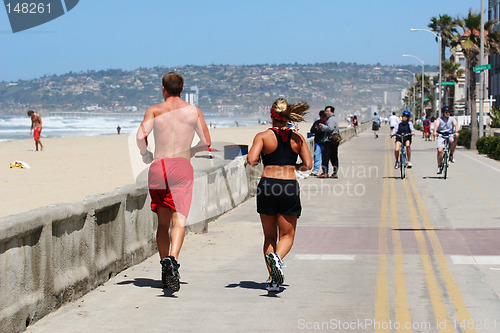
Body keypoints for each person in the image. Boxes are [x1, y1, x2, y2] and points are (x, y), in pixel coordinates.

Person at [136, 72, 211, 292]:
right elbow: (206, 141)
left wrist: (145, 154)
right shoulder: (193, 112)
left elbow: (141, 136)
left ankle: (163, 266)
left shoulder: (155, 110)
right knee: (179, 221)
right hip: (181, 166)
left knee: (162, 223)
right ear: (182, 88)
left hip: (159, 166)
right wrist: (191, 151)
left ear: (163, 89)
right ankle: (173, 260)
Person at [247, 98, 312, 292]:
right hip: (288, 186)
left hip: (267, 185)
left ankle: (272, 278)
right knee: (287, 235)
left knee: (269, 236)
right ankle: (277, 262)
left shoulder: (262, 136)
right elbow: (308, 165)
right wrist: (292, 166)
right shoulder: (297, 138)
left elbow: (251, 160)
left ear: (271, 115)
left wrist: (265, 160)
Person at [433, 106, 459, 174]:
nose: (448, 113)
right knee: (440, 150)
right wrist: (435, 132)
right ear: (443, 113)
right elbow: (436, 125)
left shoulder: (452, 119)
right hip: (441, 135)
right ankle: (439, 166)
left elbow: (455, 124)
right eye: (446, 112)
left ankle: (451, 155)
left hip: (450, 134)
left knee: (453, 140)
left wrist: (456, 132)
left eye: (449, 112)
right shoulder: (439, 119)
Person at [318, 106, 340, 178]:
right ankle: (335, 172)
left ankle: (325, 172)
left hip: (329, 141)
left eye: (328, 111)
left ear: (332, 112)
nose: (326, 113)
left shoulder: (331, 119)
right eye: (326, 111)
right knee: (334, 157)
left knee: (325, 157)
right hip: (334, 140)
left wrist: (322, 126)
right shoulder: (335, 119)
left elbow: (330, 128)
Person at [309, 110, 327, 176]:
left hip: (325, 142)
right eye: (322, 117)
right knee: (317, 156)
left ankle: (325, 170)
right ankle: (316, 170)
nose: (323, 118)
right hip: (318, 142)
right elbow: (311, 130)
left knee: (325, 157)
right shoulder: (316, 122)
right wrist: (316, 128)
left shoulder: (327, 123)